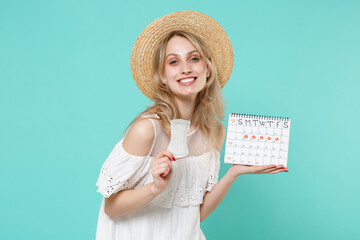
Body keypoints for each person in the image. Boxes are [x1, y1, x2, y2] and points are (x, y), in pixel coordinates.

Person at [95, 10, 288, 240]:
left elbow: (194, 214)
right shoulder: (147, 130)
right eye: (174, 61)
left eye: (194, 58)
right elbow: (111, 207)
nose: (186, 68)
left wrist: (234, 173)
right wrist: (155, 187)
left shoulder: (215, 132)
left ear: (207, 69)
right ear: (162, 76)